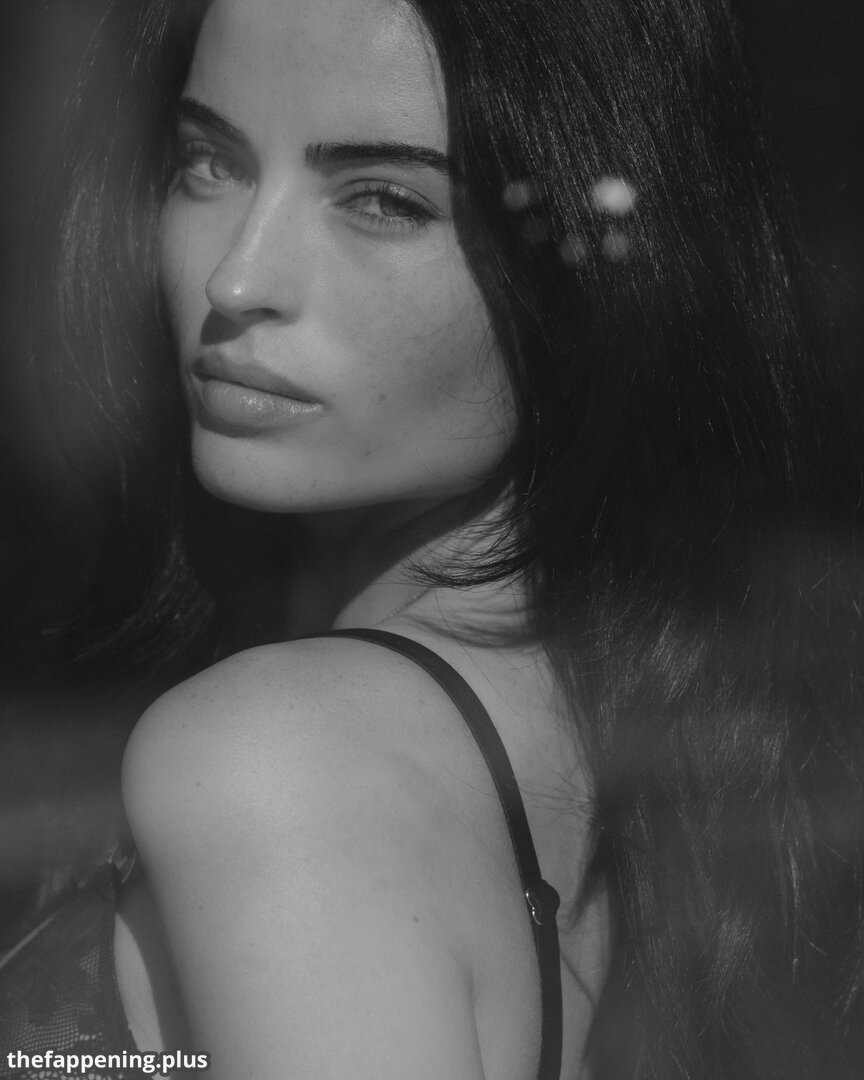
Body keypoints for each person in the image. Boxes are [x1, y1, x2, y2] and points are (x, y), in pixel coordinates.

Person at [1, 0, 863, 1078]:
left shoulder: (278, 757)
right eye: (209, 161)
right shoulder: (661, 717)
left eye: (384, 200)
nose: (237, 279)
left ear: (593, 269)